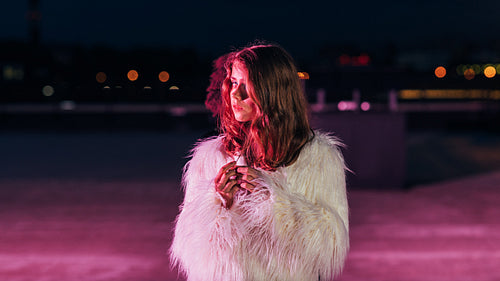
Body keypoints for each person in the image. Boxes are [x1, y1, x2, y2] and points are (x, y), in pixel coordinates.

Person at [170, 44, 349, 281]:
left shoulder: (317, 157)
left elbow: (330, 246)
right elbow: (187, 249)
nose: (235, 94)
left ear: (273, 90)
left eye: (247, 85)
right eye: (233, 82)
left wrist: (274, 201)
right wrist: (217, 203)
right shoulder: (212, 157)